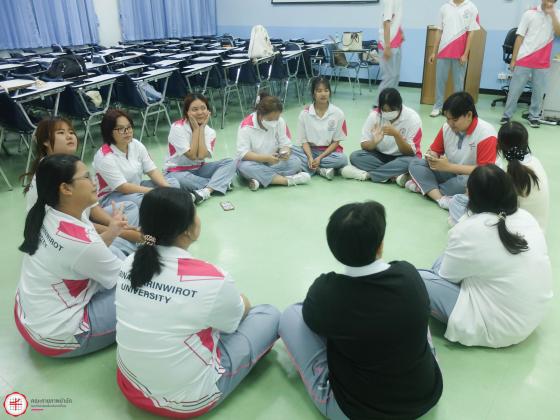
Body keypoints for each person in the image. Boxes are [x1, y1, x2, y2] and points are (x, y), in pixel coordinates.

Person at [115, 188, 280, 417]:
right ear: (187, 230)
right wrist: (239, 300)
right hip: (184, 399)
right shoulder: (212, 279)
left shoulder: (130, 262)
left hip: (130, 384)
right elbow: (234, 320)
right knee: (268, 315)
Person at [279, 201, 443, 420]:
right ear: (380, 246)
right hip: (427, 395)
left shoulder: (327, 293)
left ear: (335, 251)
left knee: (291, 315)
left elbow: (311, 320)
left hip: (357, 411)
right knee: (412, 312)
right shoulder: (409, 274)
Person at [419, 165, 553, 348]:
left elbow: (446, 276)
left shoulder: (469, 230)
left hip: (496, 327)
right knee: (449, 259)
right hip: (530, 316)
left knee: (417, 279)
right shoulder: (526, 217)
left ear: (473, 196)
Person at [15, 154, 125, 358]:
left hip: (30, 316)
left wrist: (112, 231)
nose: (94, 181)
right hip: (60, 337)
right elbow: (127, 278)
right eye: (87, 177)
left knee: (116, 251)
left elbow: (89, 251)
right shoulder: (82, 243)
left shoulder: (48, 211)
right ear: (65, 188)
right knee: (142, 292)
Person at [24, 117, 141, 258]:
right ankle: (129, 248)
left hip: (84, 222)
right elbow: (74, 226)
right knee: (116, 250)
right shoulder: (49, 175)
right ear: (46, 141)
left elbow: (93, 208)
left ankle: (129, 247)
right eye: (61, 133)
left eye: (71, 132)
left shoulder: (71, 164)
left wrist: (116, 224)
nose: (69, 136)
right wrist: (119, 232)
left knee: (129, 208)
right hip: (66, 235)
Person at [449, 121, 549, 230]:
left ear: (499, 145)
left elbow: (494, 206)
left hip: (513, 230)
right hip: (538, 229)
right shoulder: (534, 162)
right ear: (526, 141)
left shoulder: (509, 173)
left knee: (457, 201)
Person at [407, 92, 496, 209]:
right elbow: (434, 150)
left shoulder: (486, 133)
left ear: (469, 115)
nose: (450, 123)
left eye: (454, 119)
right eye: (447, 119)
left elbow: (485, 171)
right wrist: (432, 156)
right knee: (416, 163)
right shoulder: (447, 127)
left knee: (469, 183)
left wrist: (448, 167)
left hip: (474, 177)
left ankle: (425, 188)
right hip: (450, 173)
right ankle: (440, 198)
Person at [93, 109, 177, 208]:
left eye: (129, 127)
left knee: (172, 183)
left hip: (135, 187)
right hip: (112, 195)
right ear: (109, 132)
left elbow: (152, 171)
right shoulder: (104, 157)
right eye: (121, 129)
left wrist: (167, 188)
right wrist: (154, 192)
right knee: (146, 200)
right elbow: (122, 187)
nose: (127, 132)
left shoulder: (135, 144)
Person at [164, 93, 236, 204]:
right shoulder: (177, 128)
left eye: (203, 108)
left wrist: (201, 129)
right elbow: (192, 156)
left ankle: (206, 191)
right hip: (176, 172)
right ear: (187, 112)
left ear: (208, 111)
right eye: (195, 109)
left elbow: (201, 156)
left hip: (199, 169)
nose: (200, 112)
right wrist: (196, 130)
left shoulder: (210, 132)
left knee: (230, 162)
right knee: (179, 180)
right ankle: (221, 183)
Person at [342, 88, 422, 183]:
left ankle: (368, 175)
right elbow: (364, 145)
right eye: (384, 110)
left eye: (392, 110)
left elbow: (411, 153)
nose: (388, 113)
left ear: (400, 106)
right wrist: (374, 142)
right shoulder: (374, 115)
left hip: (402, 157)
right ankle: (394, 175)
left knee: (413, 163)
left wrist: (397, 135)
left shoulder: (413, 118)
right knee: (355, 156)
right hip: (379, 155)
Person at [500, 0, 560, 127]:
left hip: (542, 61)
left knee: (538, 92)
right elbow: (519, 36)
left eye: (552, 0)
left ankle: (534, 116)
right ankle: (506, 116)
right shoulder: (529, 13)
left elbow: (559, 33)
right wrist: (513, 59)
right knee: (515, 90)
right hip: (524, 58)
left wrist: (553, 15)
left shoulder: (557, 14)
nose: (549, 2)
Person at [237, 92, 310, 191]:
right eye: (270, 119)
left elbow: (285, 144)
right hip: (255, 162)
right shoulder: (246, 127)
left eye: (277, 118)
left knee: (295, 162)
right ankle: (287, 180)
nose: (274, 122)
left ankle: (260, 179)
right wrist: (266, 158)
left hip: (274, 161)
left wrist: (285, 152)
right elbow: (244, 154)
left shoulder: (280, 121)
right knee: (244, 167)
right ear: (260, 115)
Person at [429, 0, 480, 117]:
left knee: (458, 85)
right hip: (443, 51)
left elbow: (471, 33)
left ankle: (457, 109)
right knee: (440, 81)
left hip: (460, 54)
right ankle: (437, 107)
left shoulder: (472, 7)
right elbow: (439, 30)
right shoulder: (444, 7)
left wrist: (465, 54)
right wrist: (433, 52)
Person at [291, 77, 348, 180]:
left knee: (342, 159)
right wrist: (310, 157)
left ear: (330, 92)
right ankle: (319, 170)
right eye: (319, 91)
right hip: (310, 151)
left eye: (326, 90)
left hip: (329, 152)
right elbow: (303, 141)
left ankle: (311, 167)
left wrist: (320, 158)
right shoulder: (304, 114)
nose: (323, 94)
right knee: (290, 148)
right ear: (313, 93)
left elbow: (336, 142)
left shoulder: (338, 113)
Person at [377, 0, 404, 93]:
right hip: (388, 44)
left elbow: (395, 20)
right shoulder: (390, 1)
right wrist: (387, 46)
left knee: (395, 76)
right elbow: (386, 22)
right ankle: (380, 102)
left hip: (396, 43)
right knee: (389, 78)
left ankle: (392, 100)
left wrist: (401, 33)